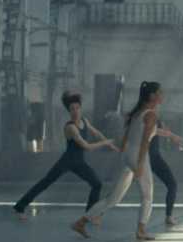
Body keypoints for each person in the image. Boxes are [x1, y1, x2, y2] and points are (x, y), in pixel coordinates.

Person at [72, 81, 180, 240]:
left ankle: (81, 222)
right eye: (160, 93)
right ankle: (141, 230)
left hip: (128, 154)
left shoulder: (138, 112)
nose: (162, 95)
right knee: (147, 195)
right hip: (137, 155)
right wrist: (140, 165)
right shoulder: (151, 115)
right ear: (152, 96)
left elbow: (135, 132)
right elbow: (145, 141)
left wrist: (171, 135)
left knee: (113, 198)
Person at [13, 91, 118, 221]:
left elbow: (96, 133)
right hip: (67, 161)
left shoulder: (84, 121)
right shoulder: (70, 128)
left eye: (77, 108)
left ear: (80, 108)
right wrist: (105, 143)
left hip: (79, 162)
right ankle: (19, 207)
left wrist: (110, 145)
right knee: (45, 183)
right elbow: (86, 146)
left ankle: (90, 214)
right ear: (69, 111)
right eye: (72, 109)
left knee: (97, 184)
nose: (75, 111)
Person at [149, 120, 183, 225]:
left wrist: (171, 136)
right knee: (146, 194)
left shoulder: (156, 117)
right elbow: (153, 130)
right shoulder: (146, 115)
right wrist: (172, 136)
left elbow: (162, 130)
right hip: (145, 156)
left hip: (154, 157)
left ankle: (169, 216)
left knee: (172, 185)